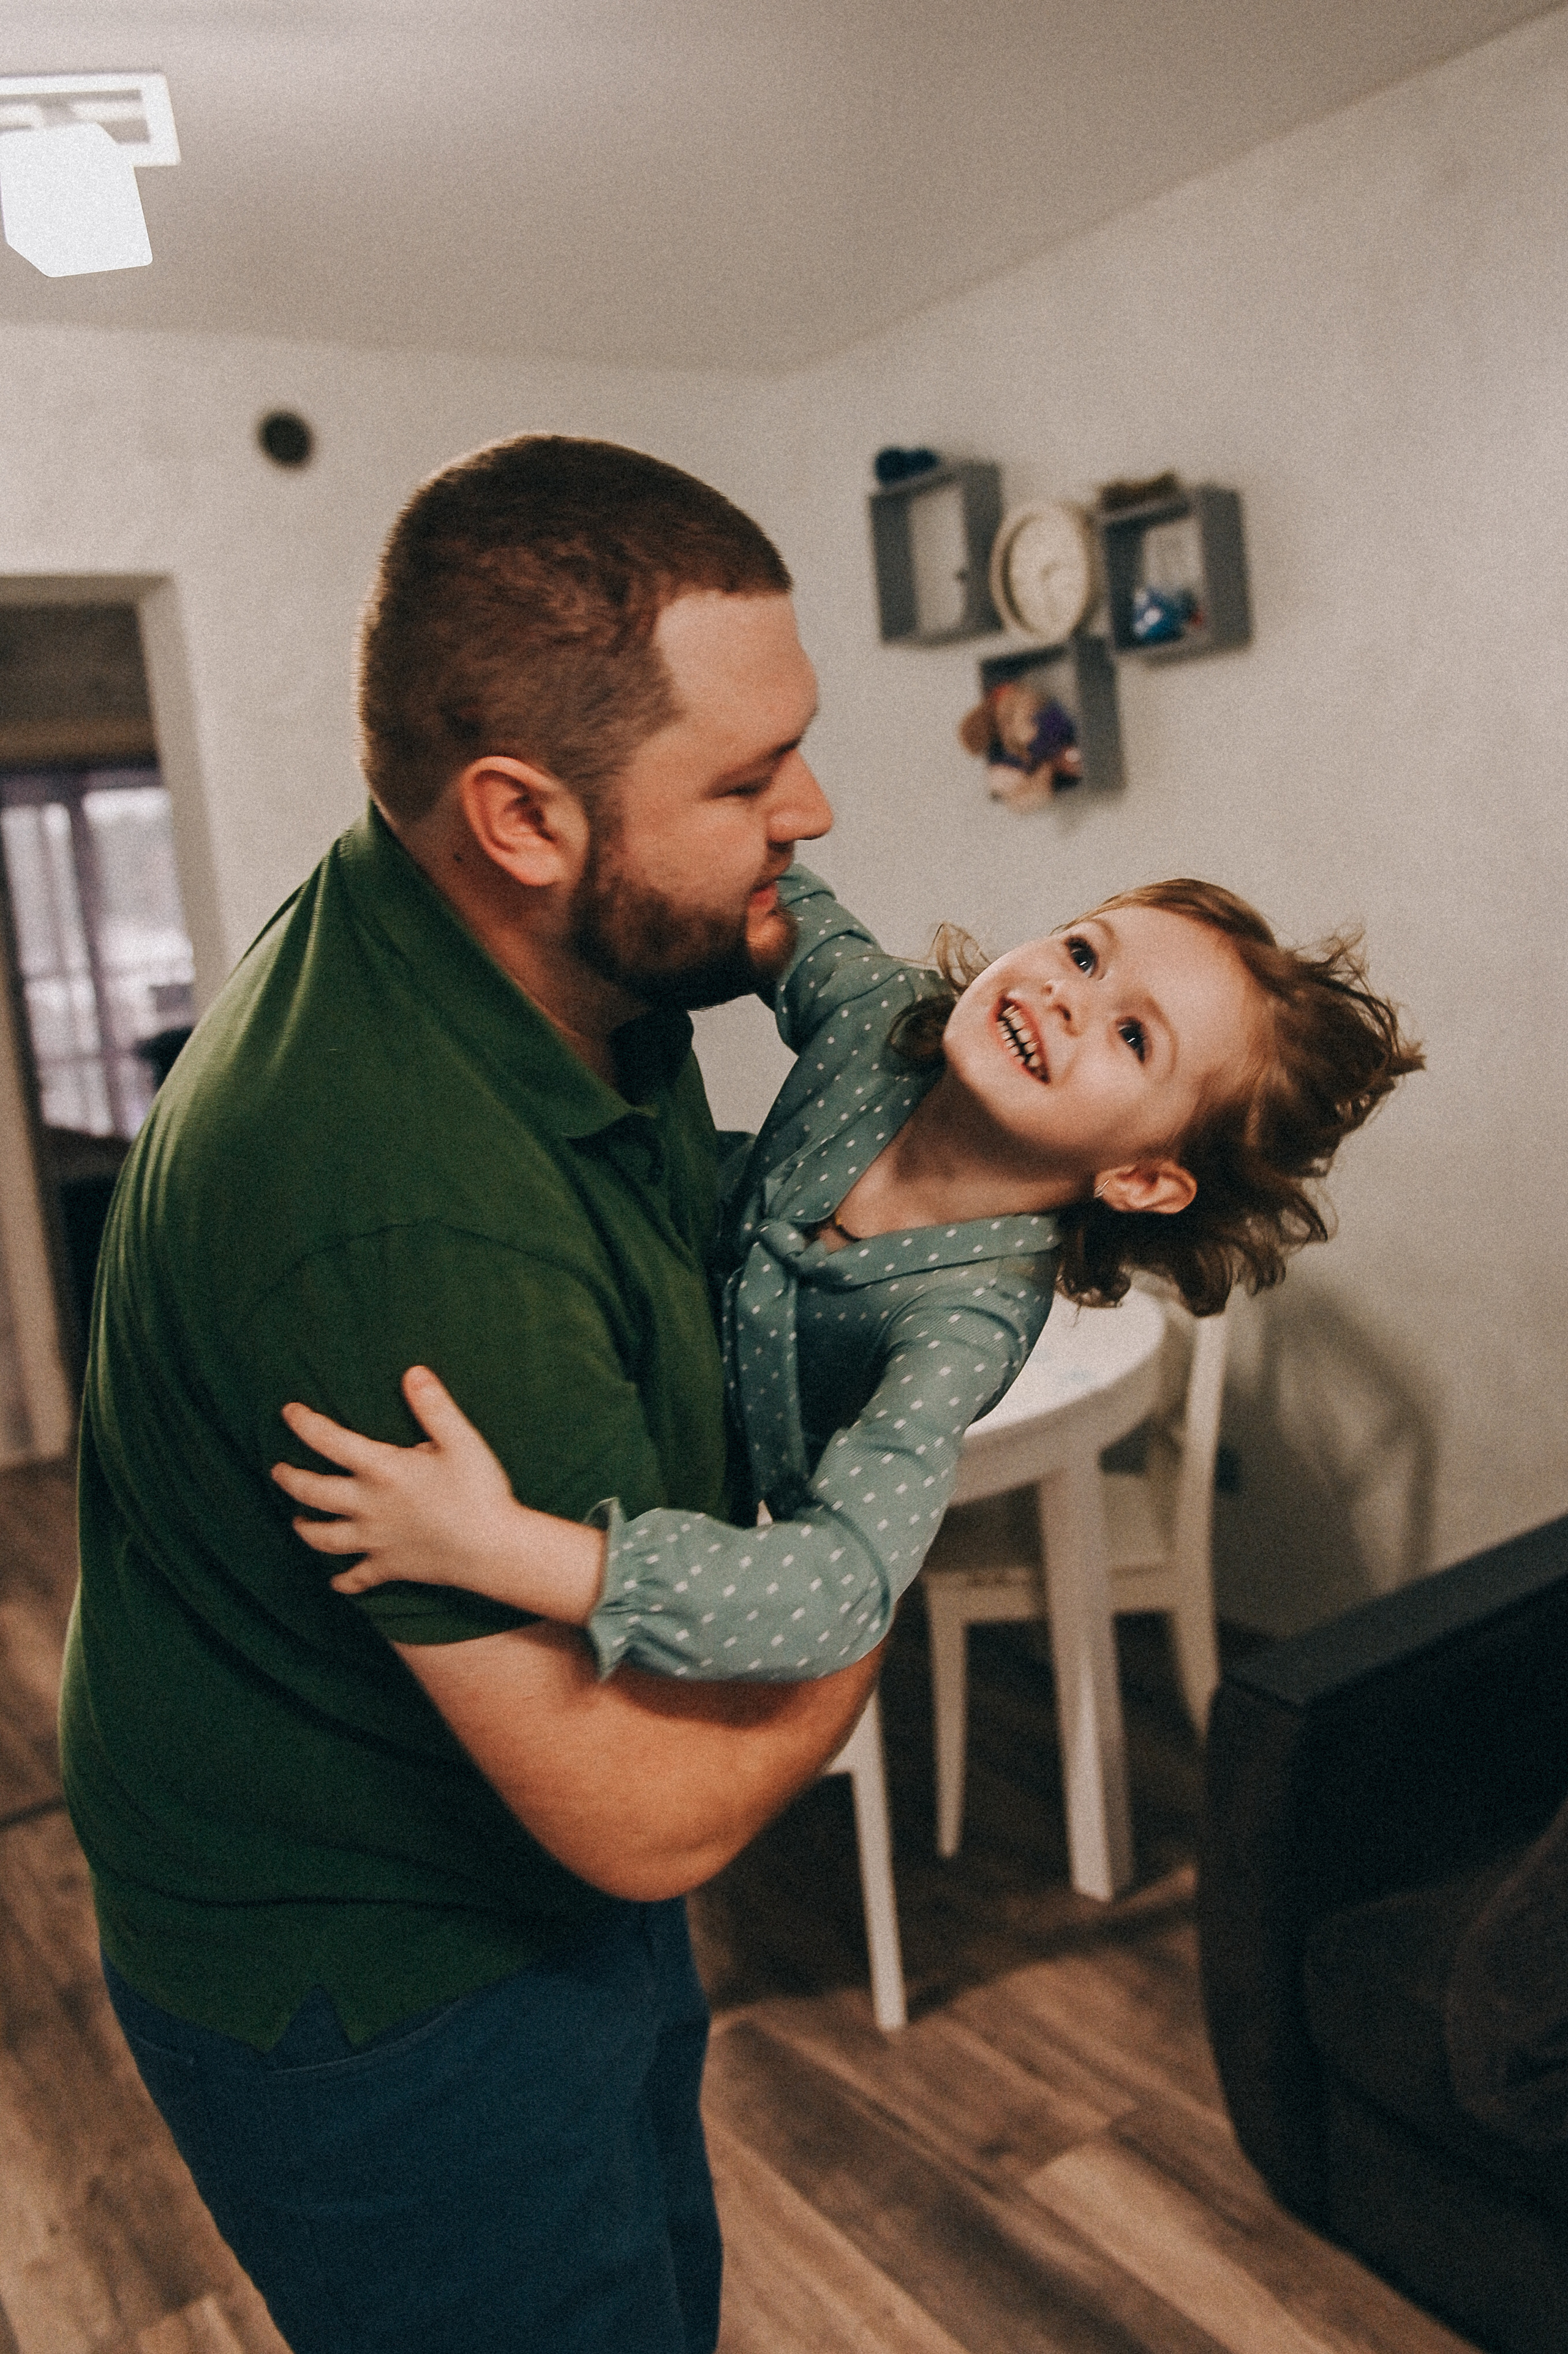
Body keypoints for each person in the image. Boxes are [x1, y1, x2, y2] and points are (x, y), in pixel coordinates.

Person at [61, 436, 891, 2354]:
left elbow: (663, 1246)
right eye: (750, 778)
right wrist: (875, 1545)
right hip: (374, 1964)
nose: (814, 810)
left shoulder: (572, 963)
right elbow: (647, 1813)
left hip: (505, 1843)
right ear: (521, 815)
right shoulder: (385, 1201)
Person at [270, 861, 1423, 1681]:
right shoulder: (886, 1020)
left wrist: (501, 1550)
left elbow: (843, 1590)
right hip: (598, 1300)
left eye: (1134, 1037)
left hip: (651, 1485)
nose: (1070, 994)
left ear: (1144, 1181)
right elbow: (786, 909)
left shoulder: (963, 1323)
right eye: (1083, 949)